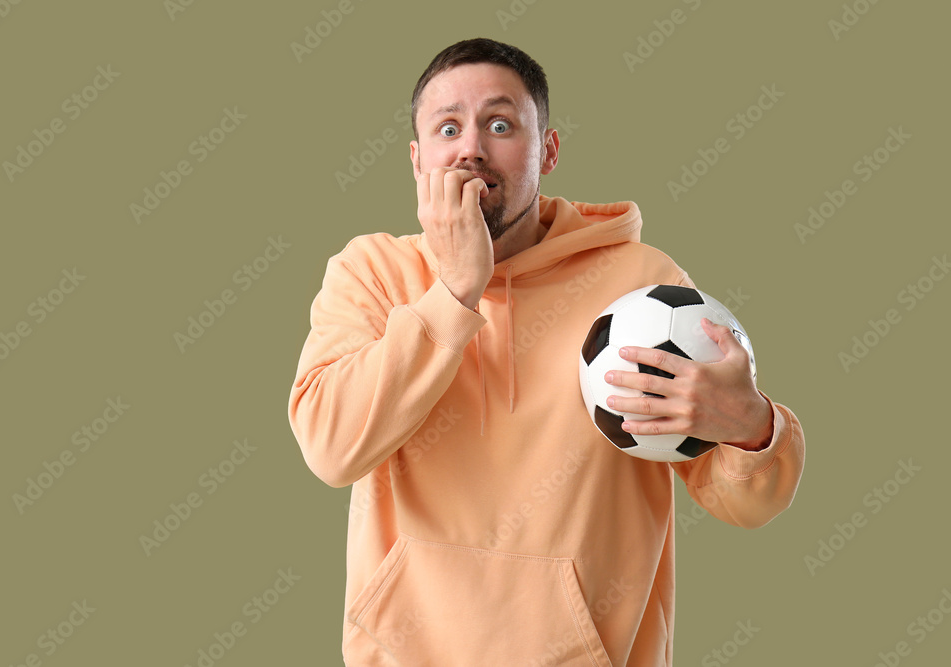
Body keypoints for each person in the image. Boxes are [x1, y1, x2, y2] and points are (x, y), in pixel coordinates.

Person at [289, 37, 805, 666]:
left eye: (500, 124)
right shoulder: (370, 272)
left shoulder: (640, 285)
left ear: (549, 149)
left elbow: (746, 503)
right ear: (418, 161)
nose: (472, 147)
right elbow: (330, 447)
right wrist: (454, 291)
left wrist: (753, 429)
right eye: (448, 127)